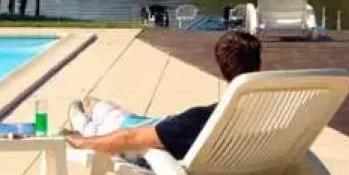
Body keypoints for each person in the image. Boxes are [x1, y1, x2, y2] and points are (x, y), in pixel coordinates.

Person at [65, 31, 262, 161]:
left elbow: (129, 137)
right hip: (164, 127)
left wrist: (83, 142)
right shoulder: (269, 112)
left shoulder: (202, 119)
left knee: (102, 115)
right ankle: (94, 107)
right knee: (105, 109)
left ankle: (86, 120)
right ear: (259, 65)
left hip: (149, 138)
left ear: (221, 69)